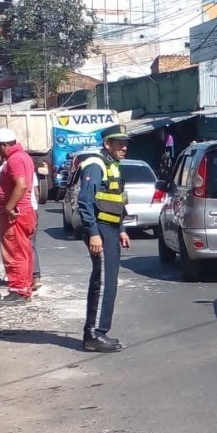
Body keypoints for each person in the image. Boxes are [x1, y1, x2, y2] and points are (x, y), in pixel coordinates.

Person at [77, 124, 132, 352]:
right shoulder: (96, 164)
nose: (124, 147)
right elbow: (85, 201)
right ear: (107, 144)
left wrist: (120, 228)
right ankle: (93, 335)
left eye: (125, 143)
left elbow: (114, 200)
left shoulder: (113, 165)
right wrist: (93, 234)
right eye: (119, 144)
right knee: (102, 282)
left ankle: (100, 332)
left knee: (109, 281)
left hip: (109, 229)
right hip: (99, 229)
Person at [0, 127, 38, 305]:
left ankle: (18, 291)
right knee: (24, 250)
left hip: (15, 214)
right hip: (23, 212)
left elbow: (21, 185)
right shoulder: (23, 157)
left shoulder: (15, 160)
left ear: (4, 146)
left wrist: (9, 207)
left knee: (14, 252)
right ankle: (24, 287)